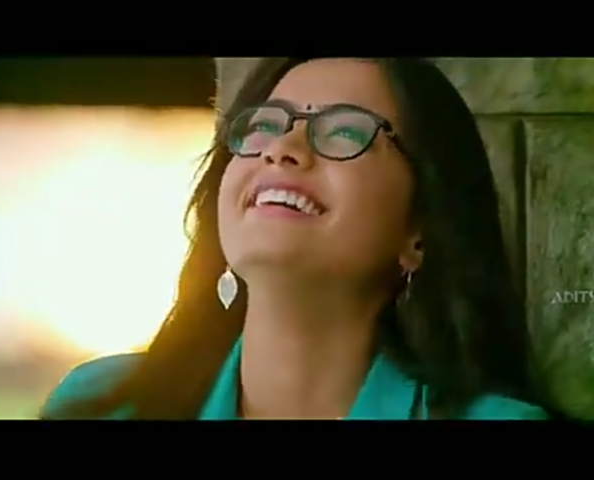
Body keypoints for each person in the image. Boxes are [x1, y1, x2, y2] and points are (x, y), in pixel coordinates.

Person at [40, 57, 548, 420]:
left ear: (419, 230)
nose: (282, 147)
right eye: (262, 125)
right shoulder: (98, 403)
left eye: (347, 132)